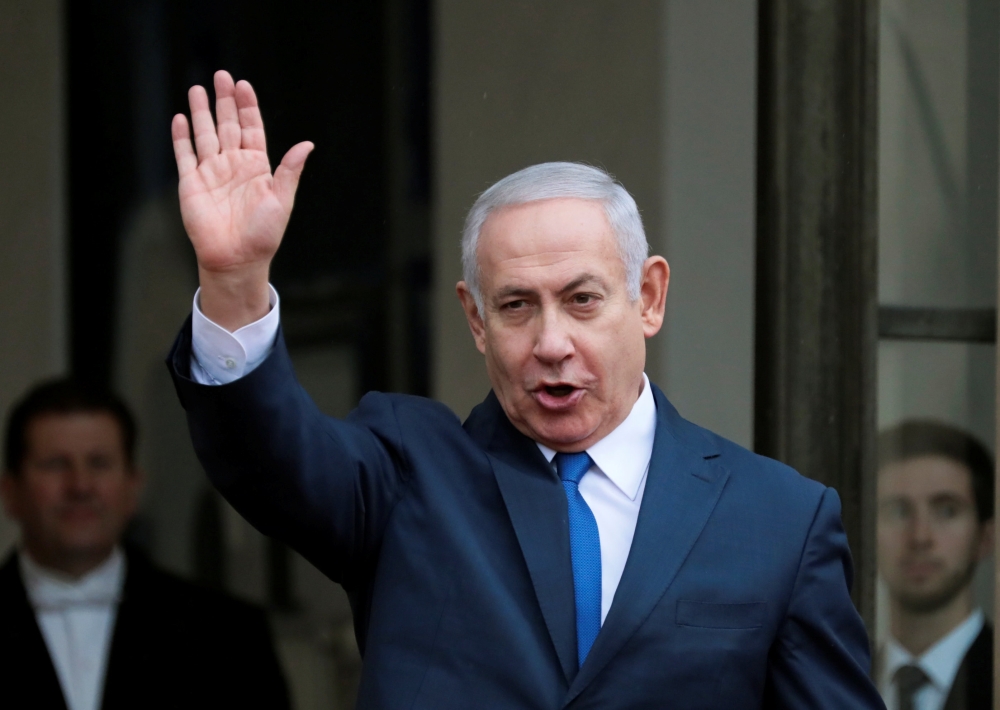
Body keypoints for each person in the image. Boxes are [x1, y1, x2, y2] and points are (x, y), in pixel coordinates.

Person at [165, 69, 885, 708]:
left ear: (650, 297)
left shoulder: (779, 521)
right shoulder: (409, 476)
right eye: (516, 306)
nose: (550, 343)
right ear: (475, 320)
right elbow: (268, 455)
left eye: (581, 300)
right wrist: (234, 284)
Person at [0, 378, 290, 710]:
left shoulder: (230, 634)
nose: (80, 486)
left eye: (99, 463)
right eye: (55, 465)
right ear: (11, 492)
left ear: (133, 487)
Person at [876, 420, 994, 710]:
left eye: (946, 510)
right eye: (898, 511)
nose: (920, 537)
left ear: (985, 537)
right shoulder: (833, 680)